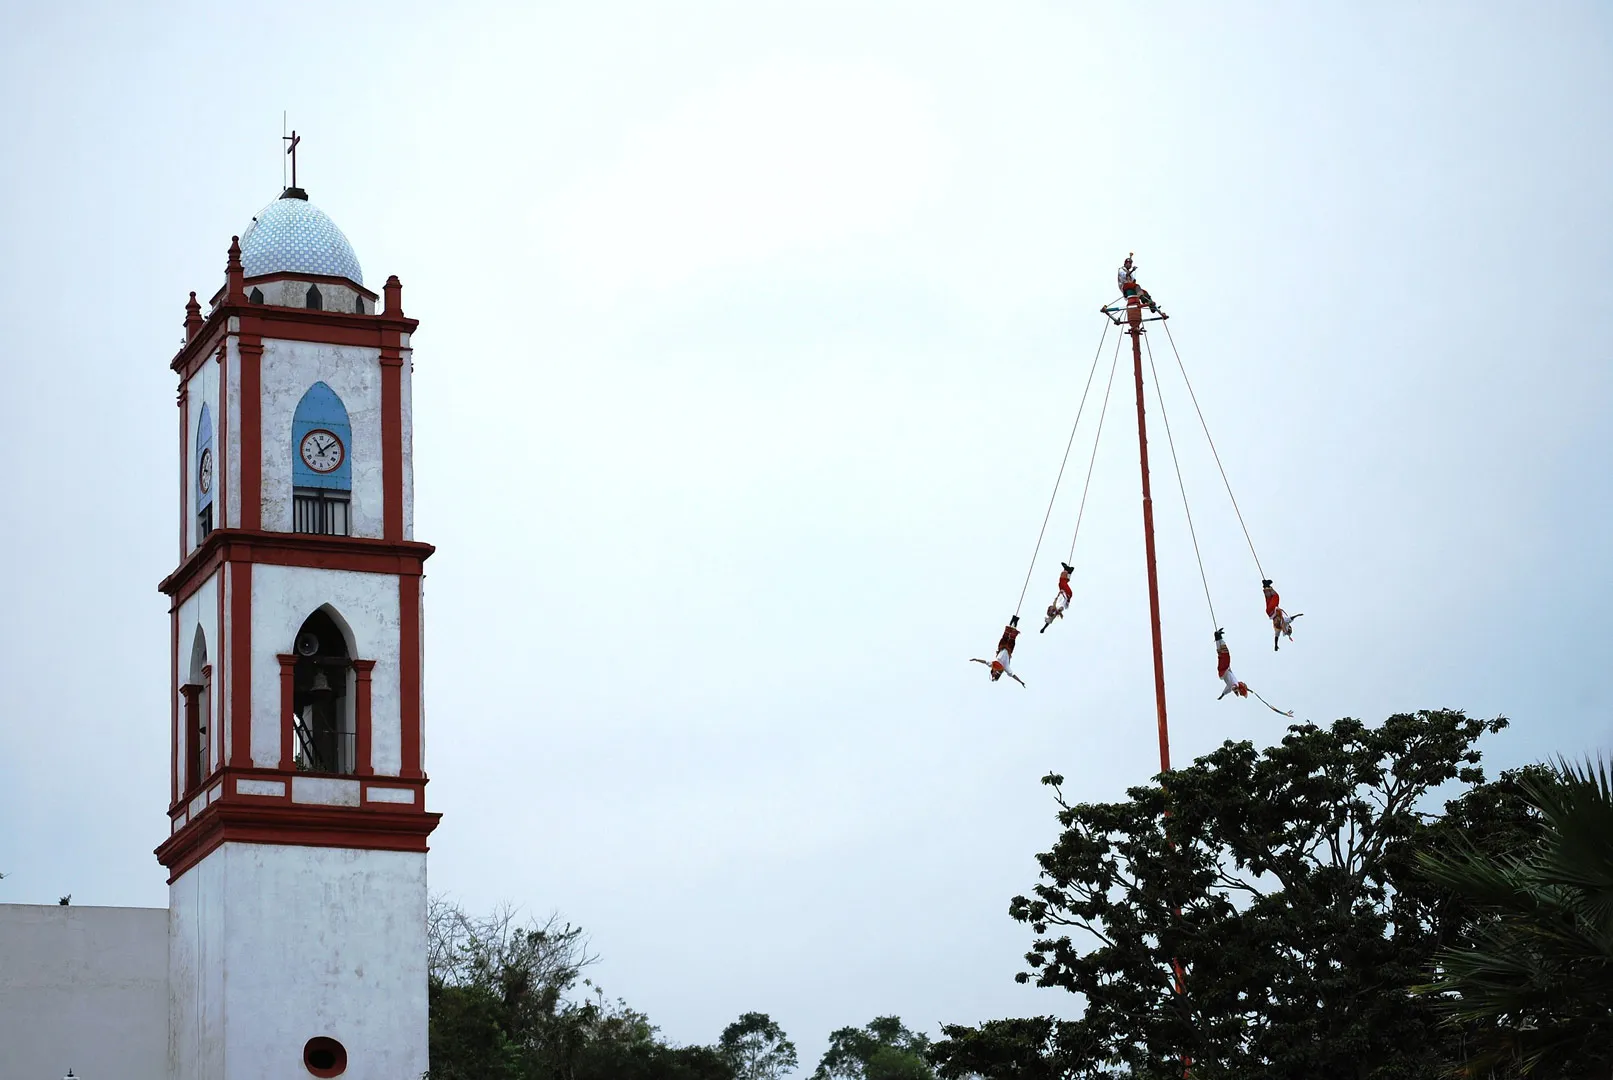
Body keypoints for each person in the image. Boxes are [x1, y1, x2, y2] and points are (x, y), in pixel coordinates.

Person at [970, 616, 1025, 686]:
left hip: (1002, 647)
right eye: (995, 674)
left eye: (994, 673)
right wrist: (1021, 682)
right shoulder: (1006, 668)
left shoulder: (992, 664)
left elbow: (984, 662)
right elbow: (1013, 675)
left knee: (1006, 635)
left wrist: (976, 659)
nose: (995, 673)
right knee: (1012, 638)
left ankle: (1012, 622)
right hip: (1009, 650)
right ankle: (1015, 623)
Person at [1215, 628, 1248, 700]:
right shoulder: (1231, 686)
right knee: (1221, 655)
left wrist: (1235, 689)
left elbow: (1233, 687)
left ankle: (1219, 637)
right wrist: (1222, 695)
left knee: (1225, 654)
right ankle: (1218, 637)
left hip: (1225, 668)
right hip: (1222, 670)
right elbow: (1227, 690)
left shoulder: (1235, 684)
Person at [1041, 562, 1075, 632]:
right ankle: (1066, 570)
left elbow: (1049, 621)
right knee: (1062, 582)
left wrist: (1043, 628)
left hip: (1063, 592)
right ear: (1052, 610)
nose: (1050, 607)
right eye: (1050, 608)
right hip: (1067, 593)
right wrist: (1058, 612)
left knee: (1062, 582)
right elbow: (1061, 609)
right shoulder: (1058, 607)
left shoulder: (1055, 605)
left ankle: (1069, 572)